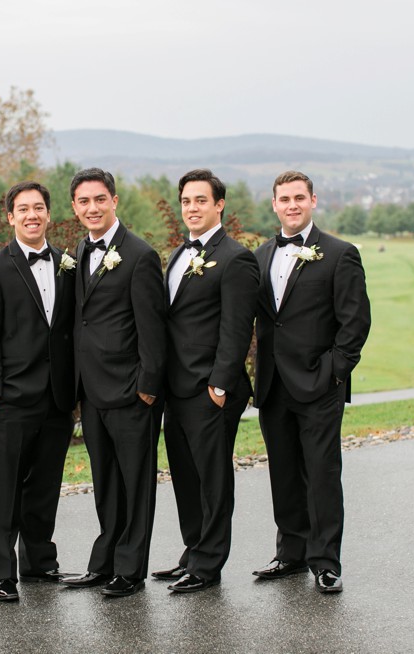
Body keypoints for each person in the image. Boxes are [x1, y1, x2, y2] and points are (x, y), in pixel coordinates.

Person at [251, 170, 371, 593]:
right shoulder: (261, 255)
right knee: (283, 473)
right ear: (274, 204)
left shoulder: (340, 254)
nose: (292, 205)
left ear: (313, 201)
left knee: (321, 473)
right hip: (273, 386)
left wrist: (333, 373)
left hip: (319, 385)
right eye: (284, 199)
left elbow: (355, 324)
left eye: (299, 197)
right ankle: (290, 552)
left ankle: (325, 561)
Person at [60, 168, 167, 597]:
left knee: (135, 484)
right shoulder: (80, 251)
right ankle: (104, 562)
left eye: (99, 199)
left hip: (130, 391)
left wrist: (147, 386)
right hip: (91, 390)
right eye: (84, 201)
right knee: (105, 482)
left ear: (114, 201)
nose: (92, 208)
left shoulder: (139, 255)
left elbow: (152, 329)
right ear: (75, 207)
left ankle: (130, 569)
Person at [153, 169, 259, 593]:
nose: (192, 208)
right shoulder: (179, 255)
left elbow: (237, 329)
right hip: (176, 390)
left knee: (213, 479)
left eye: (201, 200)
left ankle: (209, 563)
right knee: (185, 475)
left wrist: (219, 386)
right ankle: (192, 550)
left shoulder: (236, 258)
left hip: (210, 391)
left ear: (219, 205)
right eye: (186, 201)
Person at [0, 181, 77, 602]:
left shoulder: (67, 264)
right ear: (10, 217)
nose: (32, 215)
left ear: (49, 215)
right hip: (12, 397)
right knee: (4, 489)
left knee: (44, 486)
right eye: (23, 209)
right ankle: (2, 573)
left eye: (39, 208)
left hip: (57, 398)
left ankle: (39, 561)